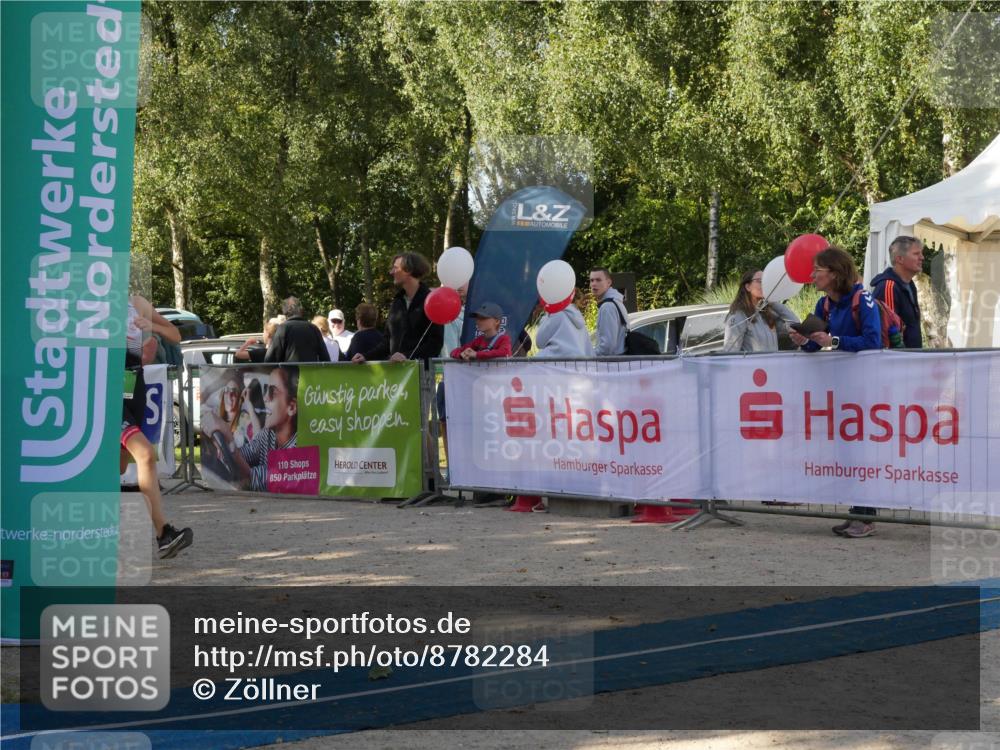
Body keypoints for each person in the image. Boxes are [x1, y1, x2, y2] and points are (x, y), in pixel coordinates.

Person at [788, 246, 881, 539]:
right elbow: (817, 344)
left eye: (818, 270)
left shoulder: (862, 298)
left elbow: (872, 339)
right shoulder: (822, 304)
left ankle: (866, 516)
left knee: (862, 451)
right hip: (840, 390)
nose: (812, 275)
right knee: (848, 451)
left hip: (866, 388)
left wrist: (835, 340)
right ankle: (858, 512)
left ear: (835, 272)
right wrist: (803, 340)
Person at [122, 295, 193, 559]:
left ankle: (98, 530)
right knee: (145, 454)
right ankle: (163, 533)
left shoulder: (136, 303)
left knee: (117, 467)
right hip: (107, 386)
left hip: (134, 385)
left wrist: (151, 327)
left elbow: (174, 335)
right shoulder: (92, 302)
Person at [203, 366, 299, 492]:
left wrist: (228, 438)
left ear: (291, 408)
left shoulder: (298, 448)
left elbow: (250, 480)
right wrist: (224, 446)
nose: (265, 398)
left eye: (272, 392)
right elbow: (246, 453)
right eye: (265, 390)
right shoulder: (268, 434)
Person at [353, 252, 444, 364]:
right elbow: (387, 342)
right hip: (397, 377)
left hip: (421, 376)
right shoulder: (397, 302)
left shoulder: (432, 302)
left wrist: (407, 356)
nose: (391, 272)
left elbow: (435, 344)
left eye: (395, 268)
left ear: (408, 270)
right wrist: (365, 356)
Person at [723, 269, 800, 353]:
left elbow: (795, 324)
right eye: (759, 281)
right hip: (752, 366)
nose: (764, 284)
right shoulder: (738, 315)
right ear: (748, 287)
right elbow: (730, 352)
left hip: (772, 365)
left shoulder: (768, 314)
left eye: (765, 281)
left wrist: (773, 301)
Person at [870, 235, 923, 349]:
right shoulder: (888, 287)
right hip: (898, 361)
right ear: (900, 259)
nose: (922, 257)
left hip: (910, 359)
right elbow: (888, 330)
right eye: (916, 254)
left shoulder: (910, 284)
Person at [265, 298, 330, 363]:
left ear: (285, 312)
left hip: (290, 372)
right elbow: (325, 358)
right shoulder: (314, 328)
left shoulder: (283, 328)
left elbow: (270, 359)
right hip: (310, 372)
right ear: (301, 310)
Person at [535, 290, 593, 358]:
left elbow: (540, 342)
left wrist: (546, 318)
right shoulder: (579, 317)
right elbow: (589, 350)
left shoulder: (556, 314)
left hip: (555, 364)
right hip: (577, 365)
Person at [590, 267, 627, 356]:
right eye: (591, 280)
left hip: (611, 365)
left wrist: (590, 356)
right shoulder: (615, 301)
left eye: (598, 280)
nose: (594, 284)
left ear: (609, 282)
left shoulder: (607, 307)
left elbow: (607, 348)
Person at [440, 284, 468, 358]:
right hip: (456, 365)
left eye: (464, 280)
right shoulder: (450, 315)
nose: (459, 284)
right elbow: (449, 352)